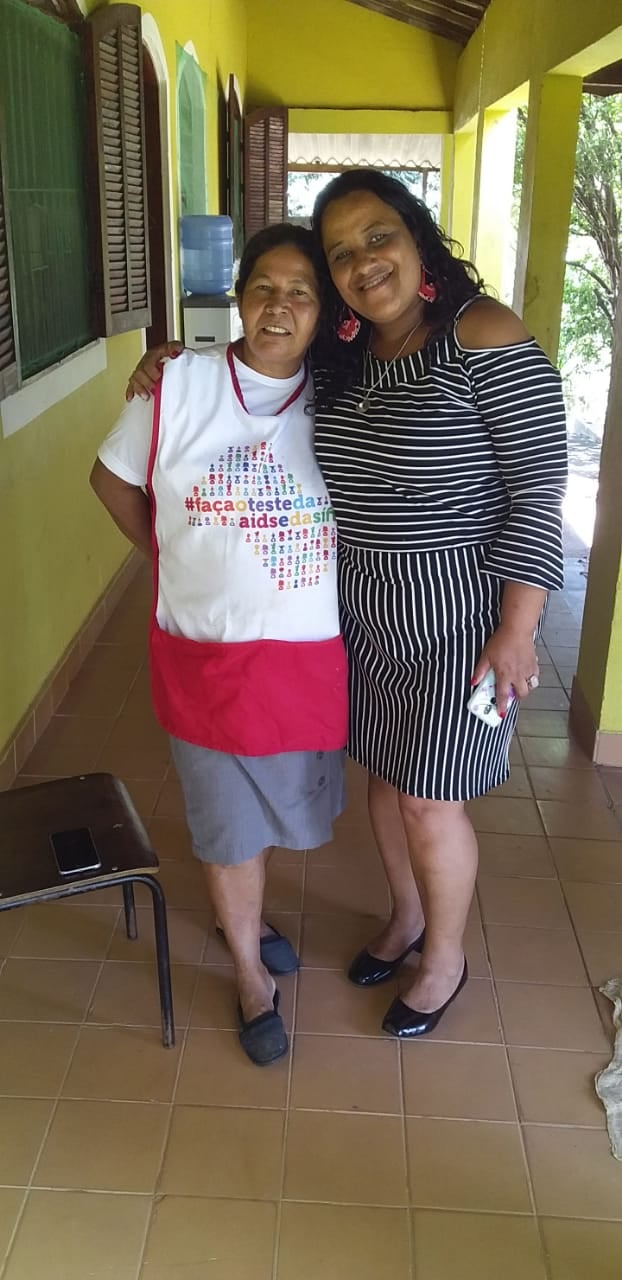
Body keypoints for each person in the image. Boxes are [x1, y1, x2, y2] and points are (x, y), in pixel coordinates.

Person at [126, 170, 567, 1040]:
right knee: (387, 782)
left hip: (458, 617)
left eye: (378, 236)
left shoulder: (482, 332)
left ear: (416, 237)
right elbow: (255, 377)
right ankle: (405, 918)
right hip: (358, 615)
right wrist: (176, 359)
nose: (364, 261)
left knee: (429, 800)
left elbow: (538, 492)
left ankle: (444, 959)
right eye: (341, 253)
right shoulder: (351, 358)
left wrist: (518, 629)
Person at [91, 224, 348, 1066]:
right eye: (263, 287)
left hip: (304, 661)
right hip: (204, 653)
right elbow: (110, 479)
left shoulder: (343, 398)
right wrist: (167, 553)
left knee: (273, 811)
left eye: (301, 292)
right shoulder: (178, 383)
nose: (279, 306)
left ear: (323, 312)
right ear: (239, 298)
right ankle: (248, 972)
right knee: (225, 822)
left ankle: (250, 915)